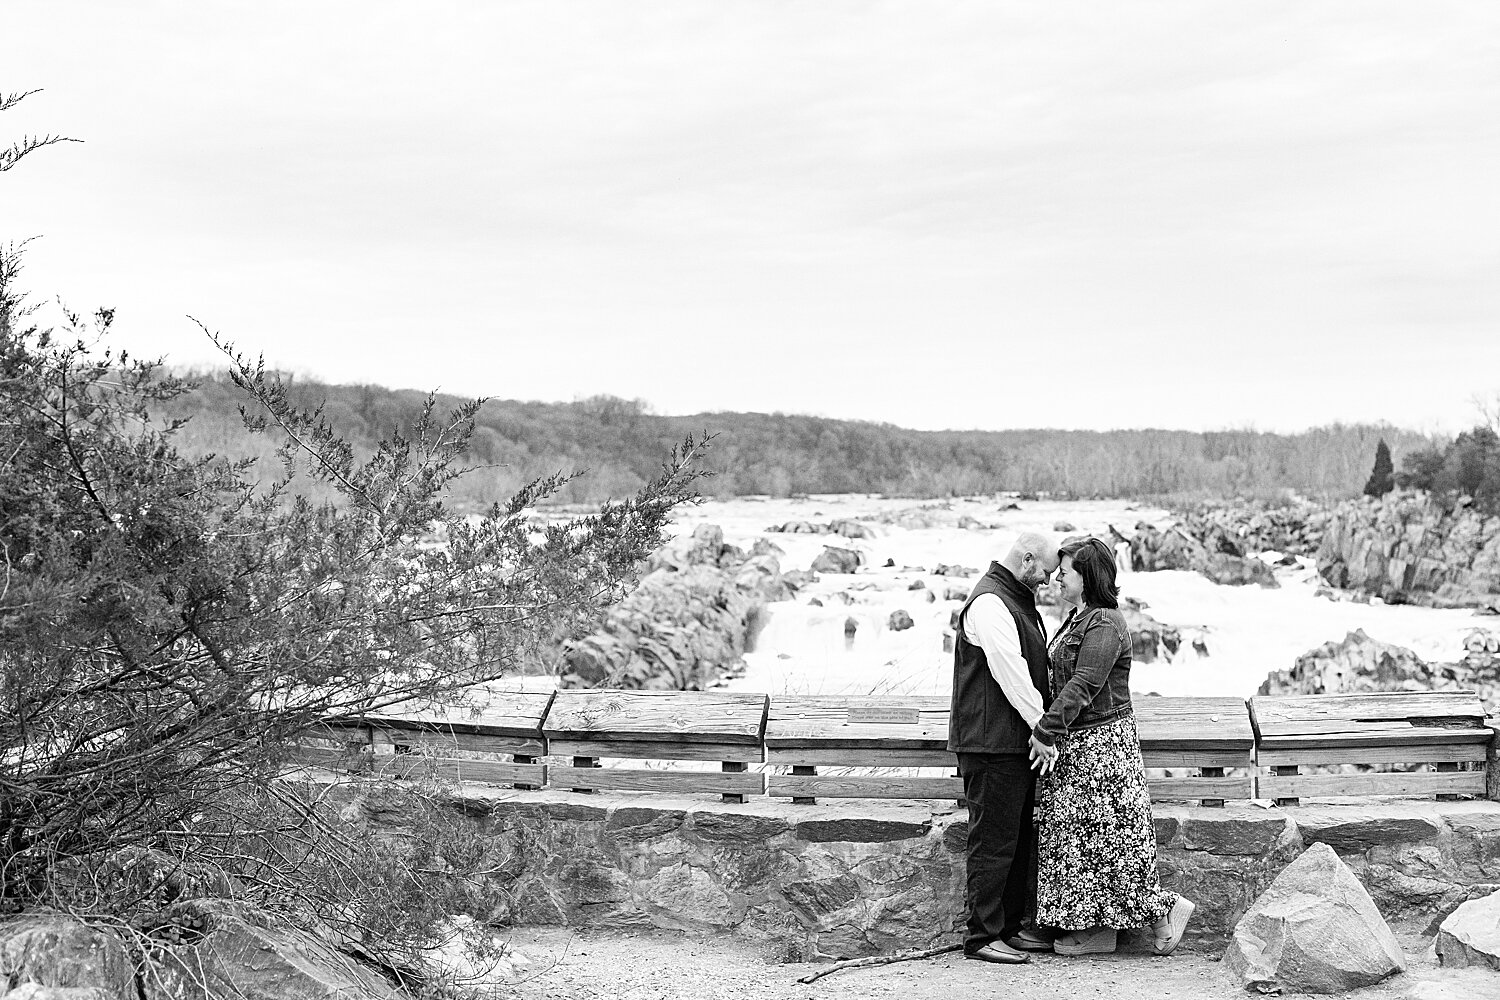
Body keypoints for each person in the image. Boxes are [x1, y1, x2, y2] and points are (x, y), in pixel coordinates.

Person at [1026, 536, 1195, 957]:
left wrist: (1045, 730)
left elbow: (1084, 684)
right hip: (1080, 746)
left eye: (1066, 570)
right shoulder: (1077, 617)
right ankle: (1096, 931)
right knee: (1082, 846)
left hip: (1104, 750)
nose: (1058, 575)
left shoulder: (1104, 622)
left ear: (1088, 576)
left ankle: (1165, 913)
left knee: (1115, 849)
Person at [947, 531, 1060, 965]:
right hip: (990, 744)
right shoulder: (991, 602)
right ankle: (981, 937)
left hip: (1008, 744)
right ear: (1027, 560)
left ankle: (1008, 930)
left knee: (1013, 841)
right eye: (1046, 572)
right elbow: (1010, 671)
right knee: (991, 841)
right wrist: (1042, 727)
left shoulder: (1015, 598)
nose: (1048, 581)